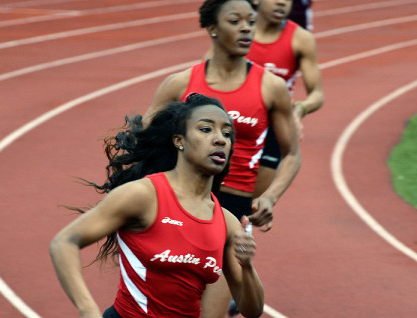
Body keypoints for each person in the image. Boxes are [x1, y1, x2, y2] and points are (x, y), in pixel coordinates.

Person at [143, 0, 301, 317]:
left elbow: (292, 154)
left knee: (213, 312)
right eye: (235, 20)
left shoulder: (271, 87)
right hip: (179, 203)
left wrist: (270, 197)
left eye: (251, 21)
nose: (246, 27)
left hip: (233, 207)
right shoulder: (180, 84)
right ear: (213, 28)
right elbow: (144, 143)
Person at [49, 93, 265, 318]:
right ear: (179, 140)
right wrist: (89, 311)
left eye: (227, 133)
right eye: (206, 129)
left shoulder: (226, 222)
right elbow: (64, 243)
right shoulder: (144, 195)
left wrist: (247, 266)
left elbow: (253, 310)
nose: (220, 138)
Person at [245, 0, 324, 199]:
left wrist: (299, 109)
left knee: (250, 202)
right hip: (235, 118)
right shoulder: (239, 31)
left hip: (273, 125)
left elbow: (317, 93)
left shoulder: (301, 39)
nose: (282, 2)